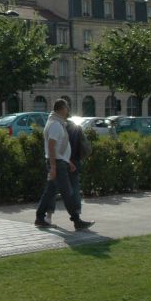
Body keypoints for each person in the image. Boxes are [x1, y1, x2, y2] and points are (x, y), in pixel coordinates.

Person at [36, 99, 93, 231]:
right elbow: (51, 147)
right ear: (61, 109)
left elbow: (58, 148)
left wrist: (68, 161)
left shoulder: (55, 122)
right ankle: (77, 221)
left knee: (49, 192)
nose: (68, 110)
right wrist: (54, 167)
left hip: (60, 162)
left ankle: (39, 218)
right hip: (57, 164)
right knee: (68, 193)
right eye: (67, 107)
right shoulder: (55, 124)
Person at [46, 117, 91, 222]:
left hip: (60, 161)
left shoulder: (58, 126)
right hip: (74, 161)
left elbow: (53, 146)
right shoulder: (76, 127)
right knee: (74, 188)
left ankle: (48, 216)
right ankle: (77, 214)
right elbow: (83, 145)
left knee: (52, 188)